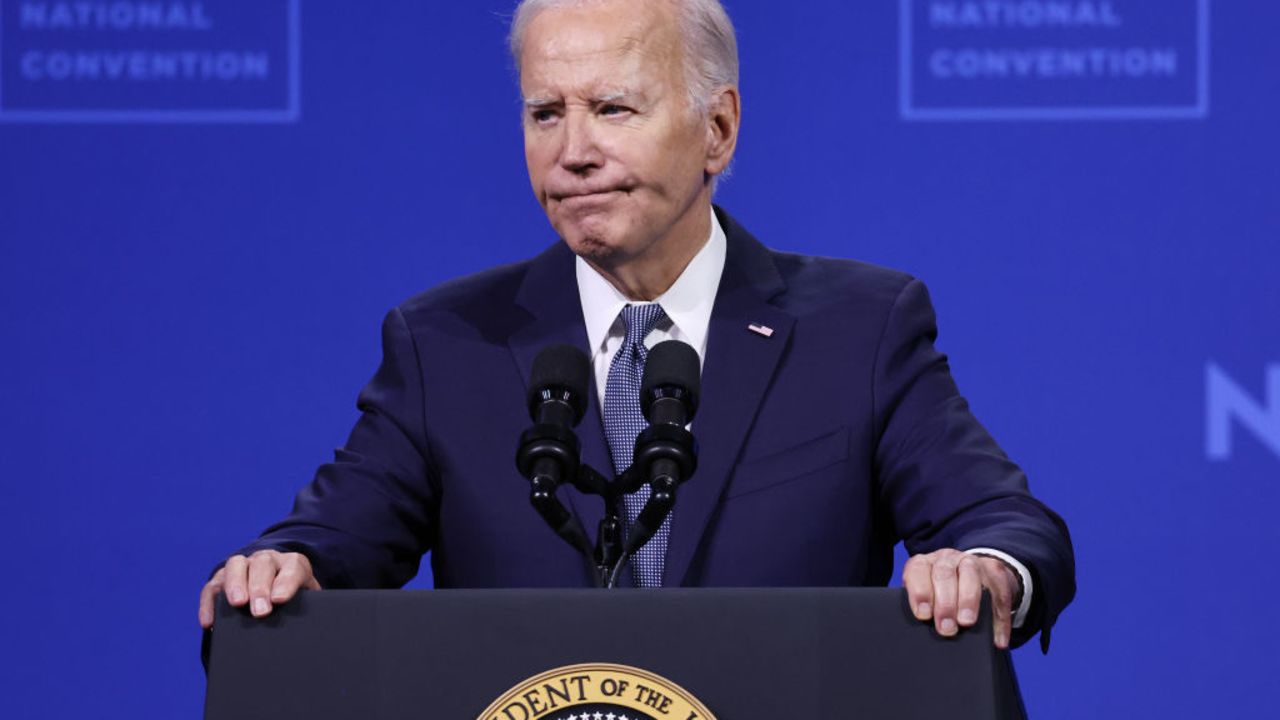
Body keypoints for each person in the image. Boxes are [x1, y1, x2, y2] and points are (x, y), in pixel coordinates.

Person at [199, 0, 1074, 652]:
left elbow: (1007, 524)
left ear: (718, 130)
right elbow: (332, 537)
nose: (572, 150)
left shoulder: (860, 329)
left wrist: (988, 570)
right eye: (547, 113)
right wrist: (285, 567)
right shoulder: (446, 343)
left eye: (613, 109)